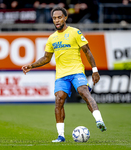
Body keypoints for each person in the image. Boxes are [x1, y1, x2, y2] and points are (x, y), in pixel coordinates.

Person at [21, 7, 107, 142]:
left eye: (59, 17)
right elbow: (46, 58)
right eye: (54, 18)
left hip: (76, 70)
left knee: (83, 91)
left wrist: (95, 70)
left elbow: (87, 51)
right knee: (59, 100)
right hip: (61, 75)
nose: (57, 20)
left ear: (65, 18)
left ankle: (99, 121)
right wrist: (31, 65)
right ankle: (61, 136)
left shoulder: (75, 32)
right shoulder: (52, 38)